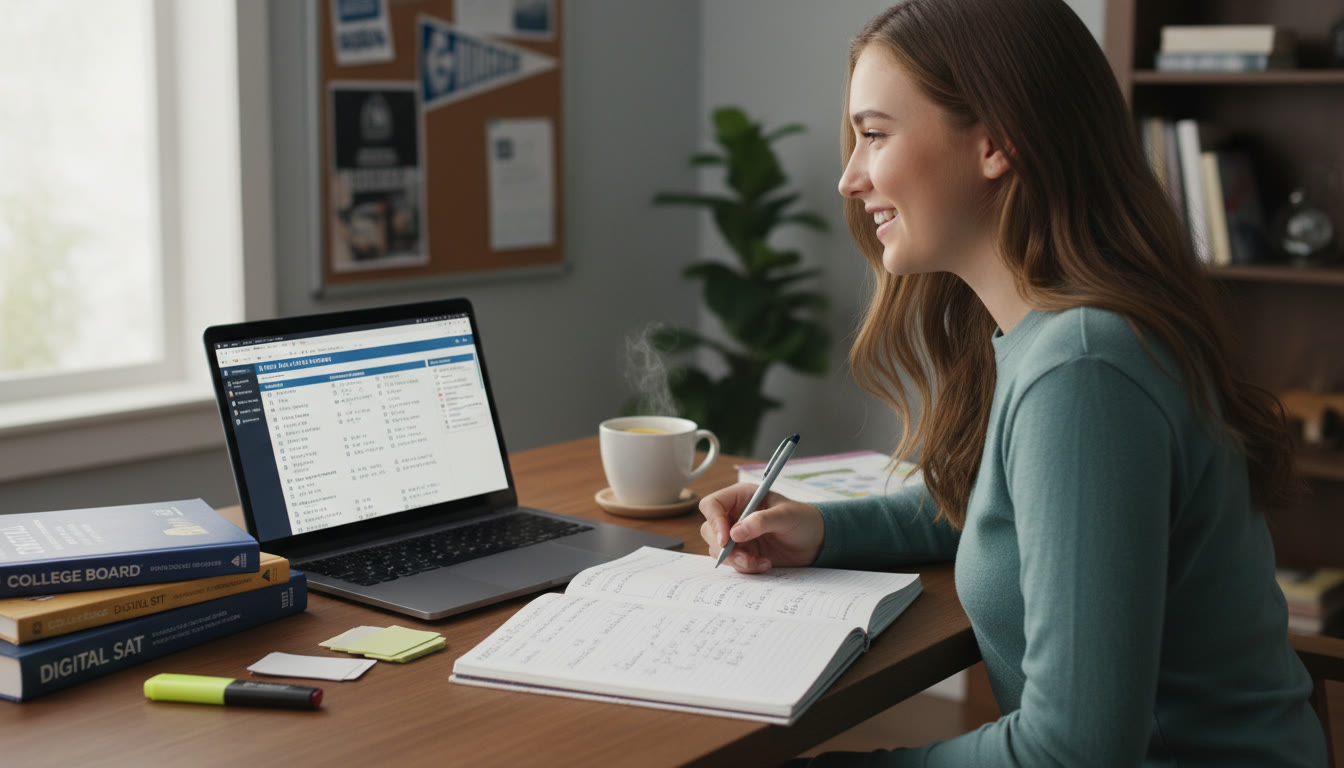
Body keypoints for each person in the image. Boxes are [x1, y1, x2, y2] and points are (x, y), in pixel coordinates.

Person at [697, 0, 1328, 765]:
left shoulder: (1083, 372)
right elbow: (1017, 515)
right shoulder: (1065, 338)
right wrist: (825, 530)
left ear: (996, 142)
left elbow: (1072, 753)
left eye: (875, 134)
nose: (849, 178)